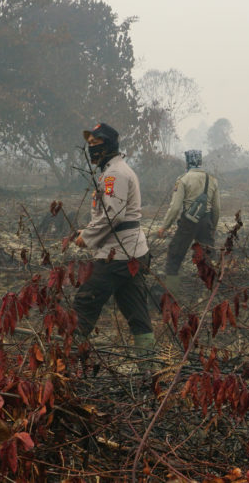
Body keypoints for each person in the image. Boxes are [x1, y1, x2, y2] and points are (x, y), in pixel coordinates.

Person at [72, 123, 154, 354]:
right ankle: (148, 364)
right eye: (89, 144)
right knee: (136, 311)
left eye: (96, 143)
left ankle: (67, 359)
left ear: (109, 145)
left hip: (117, 255)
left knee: (85, 302)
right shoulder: (115, 171)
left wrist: (87, 237)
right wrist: (88, 230)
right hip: (132, 252)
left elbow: (114, 215)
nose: (91, 148)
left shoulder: (114, 174)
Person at [157, 150, 220, 294]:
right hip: (206, 222)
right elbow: (217, 208)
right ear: (200, 161)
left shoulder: (183, 179)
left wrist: (164, 226)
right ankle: (210, 292)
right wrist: (213, 227)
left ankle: (172, 294)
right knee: (207, 258)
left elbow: (175, 207)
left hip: (188, 223)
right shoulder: (212, 180)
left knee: (174, 255)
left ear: (187, 162)